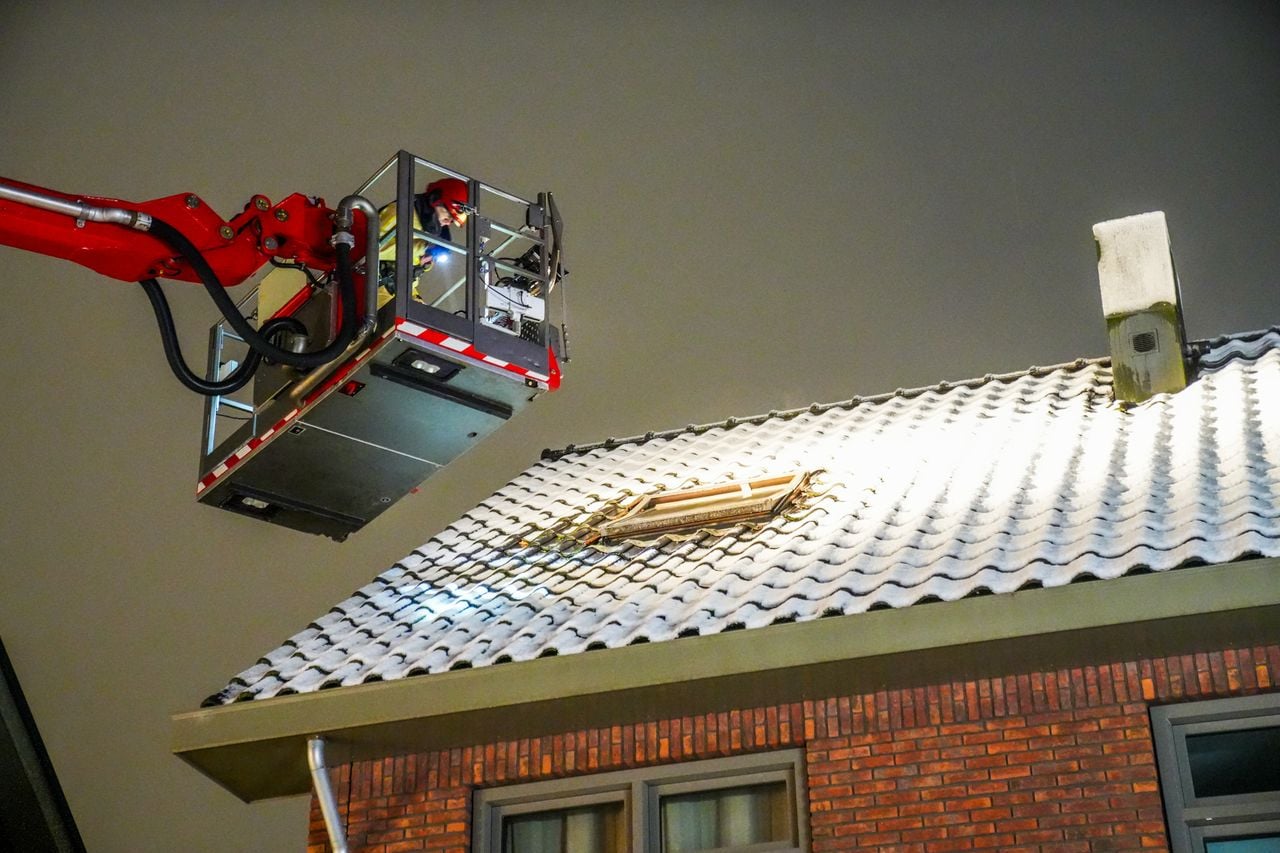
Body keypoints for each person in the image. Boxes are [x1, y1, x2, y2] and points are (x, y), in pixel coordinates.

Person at [377, 177, 470, 296]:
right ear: (435, 199)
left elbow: (414, 261)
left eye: (452, 221)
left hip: (403, 291)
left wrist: (428, 258)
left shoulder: (427, 229)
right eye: (448, 216)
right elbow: (372, 249)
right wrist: (424, 248)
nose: (447, 223)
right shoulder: (400, 213)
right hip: (378, 287)